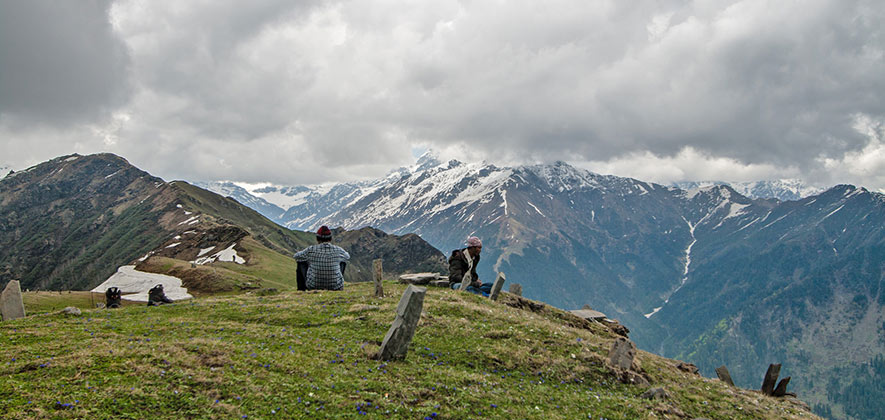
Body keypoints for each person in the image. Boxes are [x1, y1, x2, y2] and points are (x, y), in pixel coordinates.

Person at [294, 226, 350, 291]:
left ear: (317, 239)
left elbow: (296, 256)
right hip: (335, 287)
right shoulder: (338, 250)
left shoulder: (311, 250)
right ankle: (337, 283)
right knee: (342, 262)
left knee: (301, 262)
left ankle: (301, 290)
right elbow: (347, 256)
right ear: (330, 238)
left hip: (313, 286)